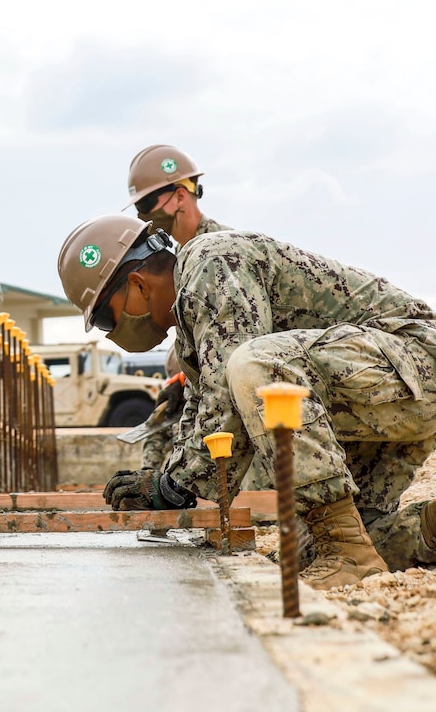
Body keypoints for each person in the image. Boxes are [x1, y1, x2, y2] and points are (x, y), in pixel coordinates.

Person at [57, 215, 436, 588]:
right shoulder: (192, 327)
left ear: (138, 284)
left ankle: (348, 550)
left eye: (107, 319)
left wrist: (180, 483)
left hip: (413, 363)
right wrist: (168, 479)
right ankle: (421, 530)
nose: (112, 331)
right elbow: (202, 408)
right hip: (372, 392)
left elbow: (230, 385)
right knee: (315, 550)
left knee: (252, 363)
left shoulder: (211, 263)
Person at [124, 145, 232, 246]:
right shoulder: (186, 252)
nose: (143, 214)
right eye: (138, 206)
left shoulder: (221, 246)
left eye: (146, 204)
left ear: (180, 197)